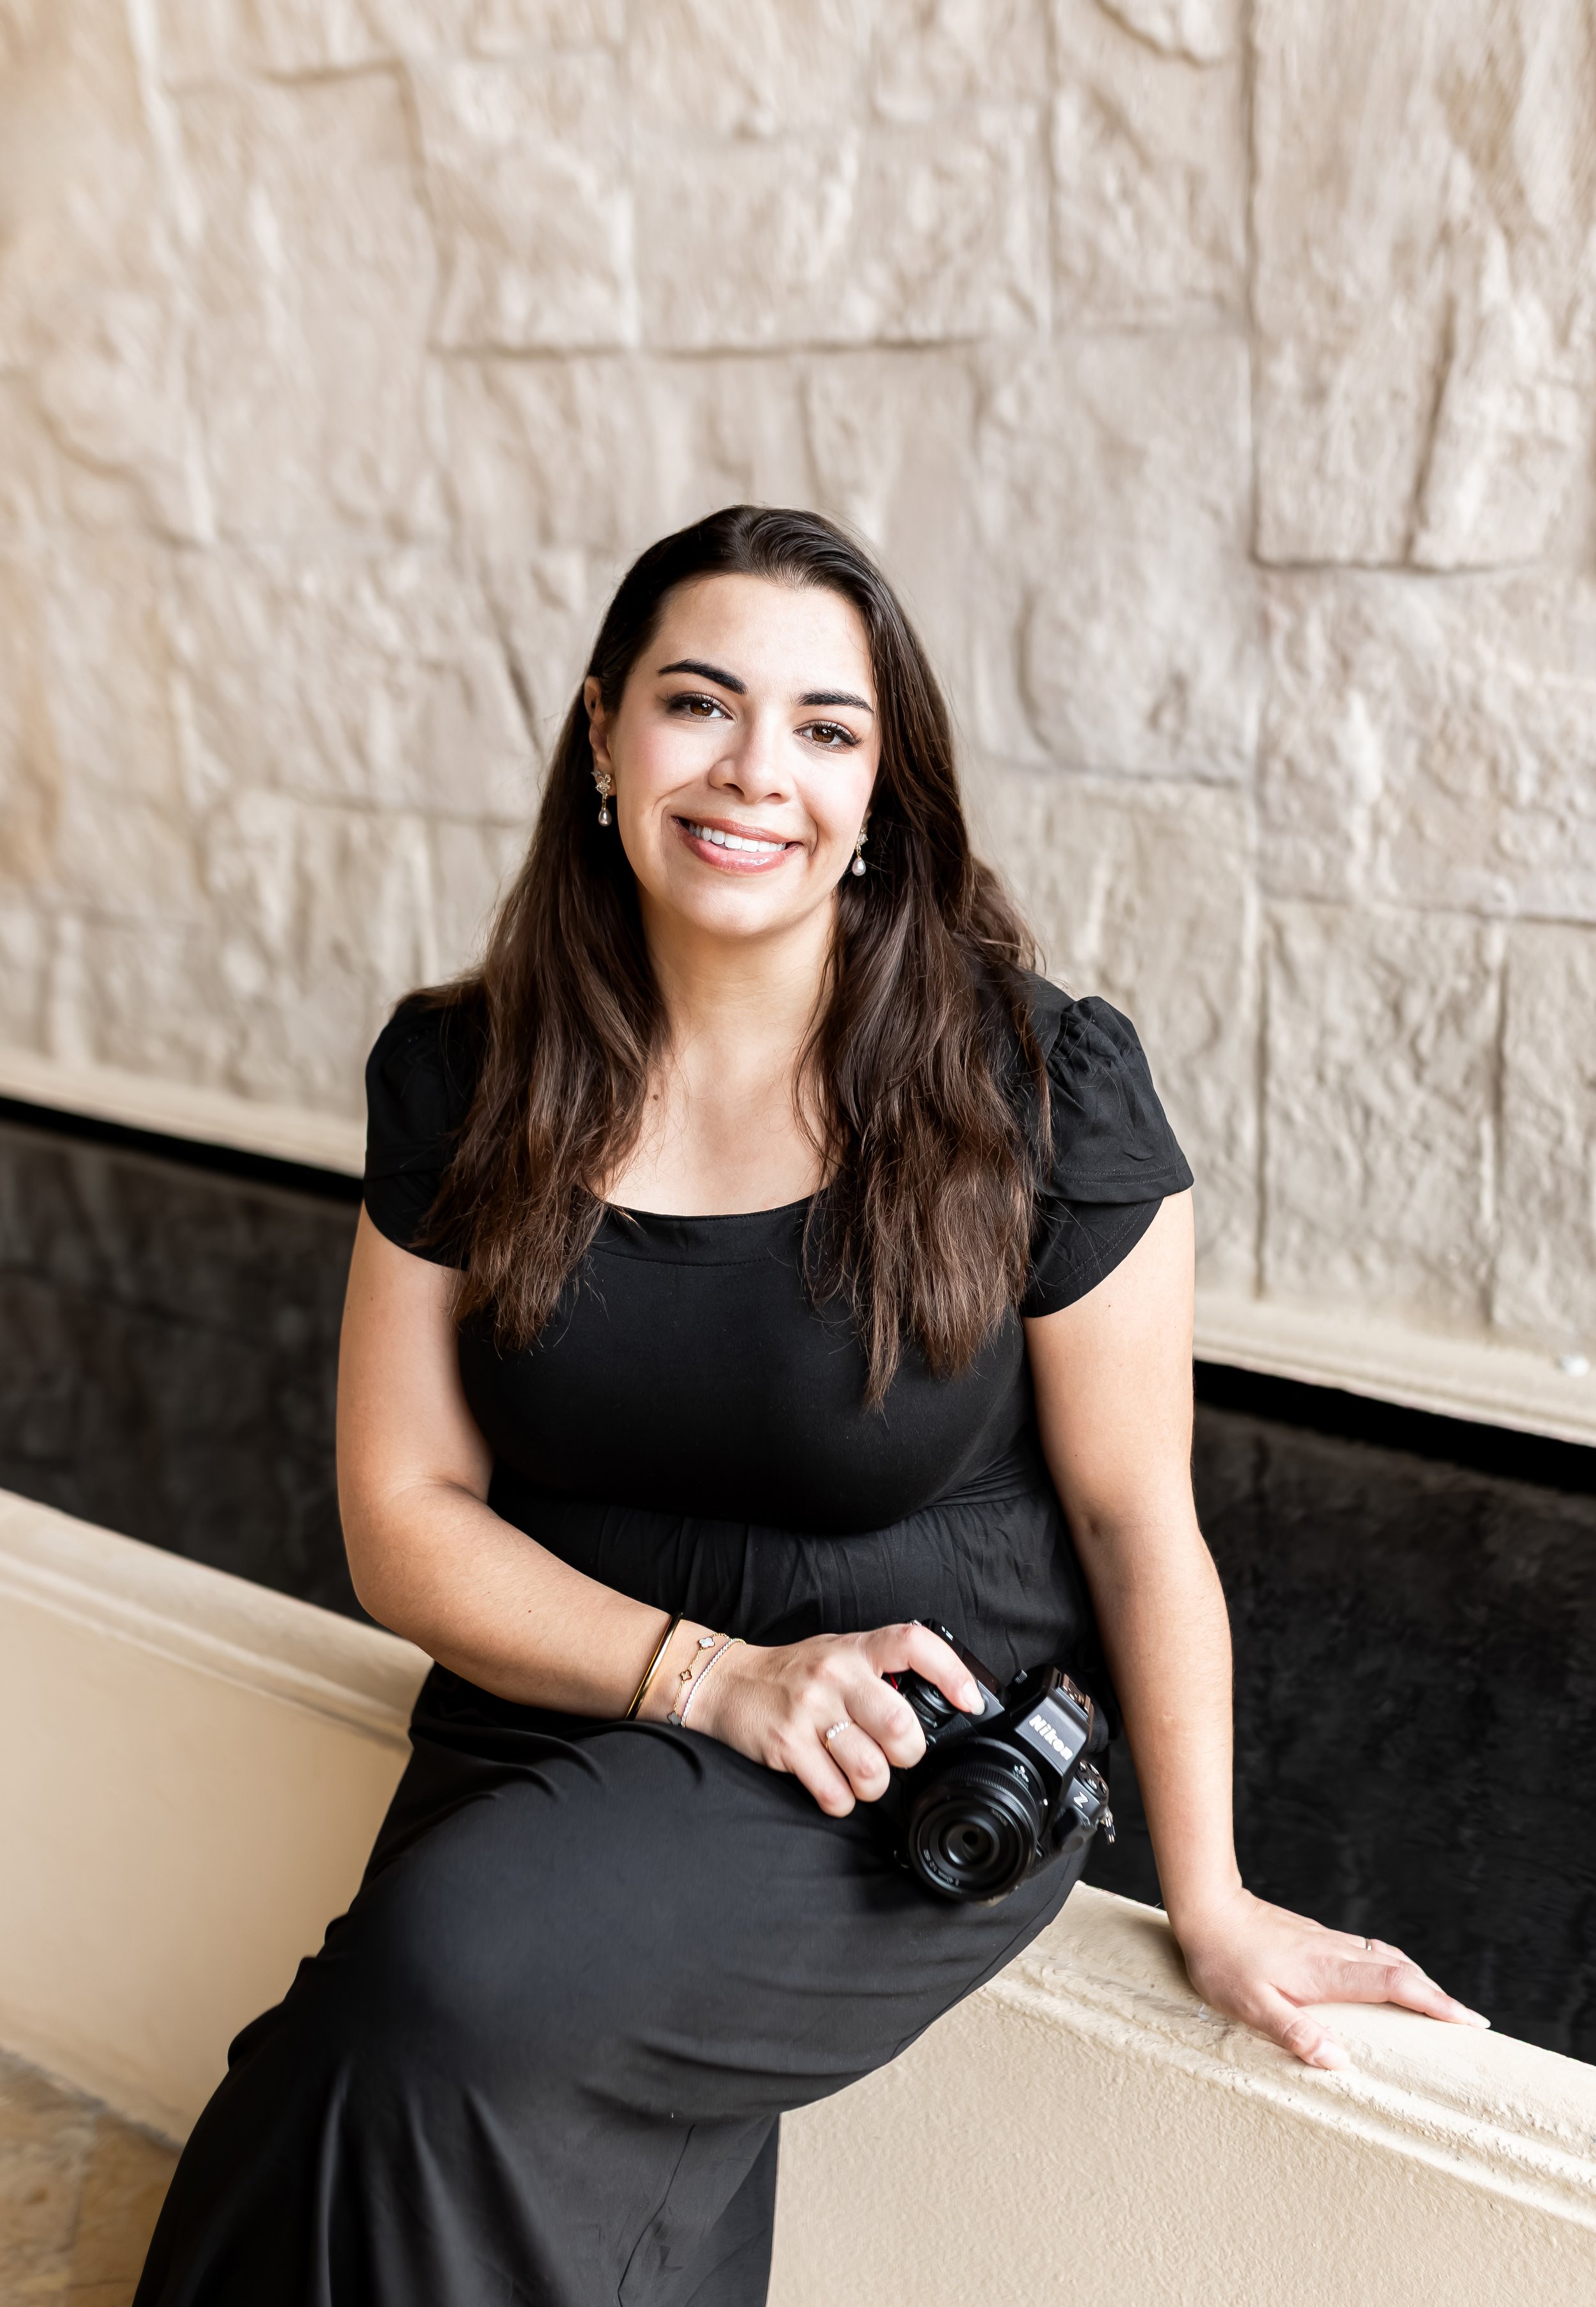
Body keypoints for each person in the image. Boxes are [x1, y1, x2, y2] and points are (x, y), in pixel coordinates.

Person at [136, 506, 1484, 2306]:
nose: (754, 771)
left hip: (894, 1755)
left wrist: (1212, 1894)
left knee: (448, 1987)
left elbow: (1133, 1519)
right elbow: (402, 1514)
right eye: (698, 704)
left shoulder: (1036, 1084)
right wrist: (703, 1676)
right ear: (603, 732)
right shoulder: (462, 1073)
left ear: (879, 794)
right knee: (323, 2106)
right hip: (563, 1697)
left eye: (825, 729)